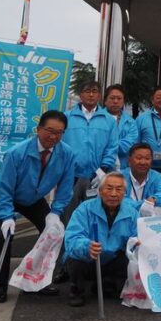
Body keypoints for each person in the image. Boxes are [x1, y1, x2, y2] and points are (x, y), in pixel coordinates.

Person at [0, 110, 75, 303]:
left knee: (51, 233)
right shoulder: (17, 153)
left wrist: (56, 212)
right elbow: (3, 188)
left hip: (34, 198)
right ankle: (0, 284)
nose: (53, 136)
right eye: (49, 130)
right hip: (7, 195)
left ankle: (36, 280)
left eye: (59, 132)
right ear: (38, 129)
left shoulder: (67, 154)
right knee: (4, 235)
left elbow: (65, 188)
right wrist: (6, 216)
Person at [54, 81, 118, 283]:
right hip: (71, 176)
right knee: (68, 220)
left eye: (95, 91)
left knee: (96, 219)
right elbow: (60, 144)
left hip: (97, 177)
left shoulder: (108, 120)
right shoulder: (68, 117)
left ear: (99, 95)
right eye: (86, 91)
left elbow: (112, 146)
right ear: (80, 94)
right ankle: (65, 265)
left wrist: (103, 170)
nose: (91, 95)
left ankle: (93, 265)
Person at [64, 172, 139, 307]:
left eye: (119, 189)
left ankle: (107, 282)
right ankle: (76, 290)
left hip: (113, 257)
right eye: (109, 188)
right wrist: (86, 246)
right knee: (74, 258)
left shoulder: (131, 212)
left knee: (131, 258)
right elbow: (72, 238)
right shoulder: (84, 209)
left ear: (124, 193)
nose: (113, 194)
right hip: (90, 257)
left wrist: (136, 243)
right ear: (100, 191)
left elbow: (136, 237)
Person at [121, 142, 161, 213]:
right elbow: (120, 200)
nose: (143, 162)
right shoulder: (120, 177)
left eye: (147, 158)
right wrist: (145, 204)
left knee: (160, 207)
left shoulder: (156, 176)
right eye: (139, 158)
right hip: (127, 217)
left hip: (148, 219)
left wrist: (154, 199)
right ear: (129, 161)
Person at [104, 84, 138, 169]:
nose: (115, 101)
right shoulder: (96, 119)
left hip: (123, 169)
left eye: (119, 98)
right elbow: (95, 144)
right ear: (105, 101)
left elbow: (128, 146)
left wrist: (107, 145)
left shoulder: (131, 122)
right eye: (112, 98)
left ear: (123, 102)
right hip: (100, 168)